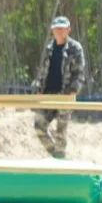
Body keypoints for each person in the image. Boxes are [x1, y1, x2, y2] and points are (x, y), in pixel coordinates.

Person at [32, 15, 86, 158]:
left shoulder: (75, 48)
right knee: (39, 127)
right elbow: (42, 72)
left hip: (64, 95)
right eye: (57, 29)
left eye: (62, 29)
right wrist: (37, 89)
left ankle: (61, 160)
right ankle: (56, 156)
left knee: (60, 133)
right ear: (52, 31)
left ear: (68, 30)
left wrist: (72, 92)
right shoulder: (49, 48)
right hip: (48, 95)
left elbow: (80, 73)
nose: (59, 32)